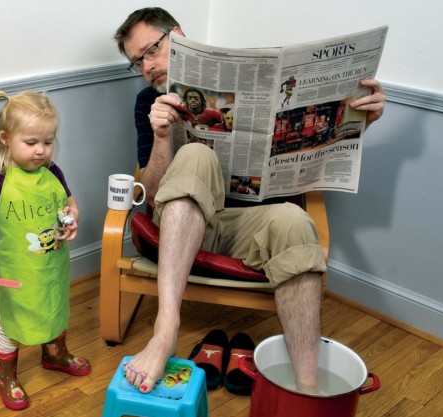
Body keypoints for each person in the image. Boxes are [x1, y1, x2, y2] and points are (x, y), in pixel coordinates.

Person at [113, 7, 385, 394]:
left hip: (246, 230)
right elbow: (152, 196)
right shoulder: (147, 103)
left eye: (151, 50)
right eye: (136, 61)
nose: (146, 66)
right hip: (180, 225)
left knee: (295, 221)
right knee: (195, 155)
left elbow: (313, 162)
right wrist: (160, 137)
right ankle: (165, 329)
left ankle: (306, 386)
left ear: (178, 33)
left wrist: (358, 122)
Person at [0, 90, 91, 410]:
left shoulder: (54, 172)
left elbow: (70, 203)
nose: (41, 150)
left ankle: (55, 355)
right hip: (17, 274)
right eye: (32, 142)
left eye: (48, 142)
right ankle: (6, 374)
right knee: (14, 323)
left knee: (54, 310)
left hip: (52, 268)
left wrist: (72, 218)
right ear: (6, 138)